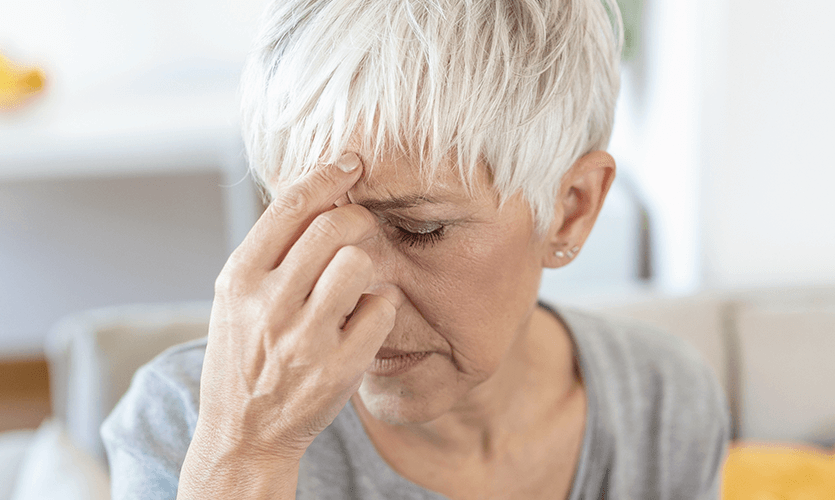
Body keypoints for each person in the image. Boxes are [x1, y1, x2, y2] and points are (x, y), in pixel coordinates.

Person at [101, 0, 729, 498]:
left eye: (419, 230)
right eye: (316, 225)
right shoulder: (186, 426)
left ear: (572, 211)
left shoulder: (662, 404)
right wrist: (248, 452)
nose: (347, 292)